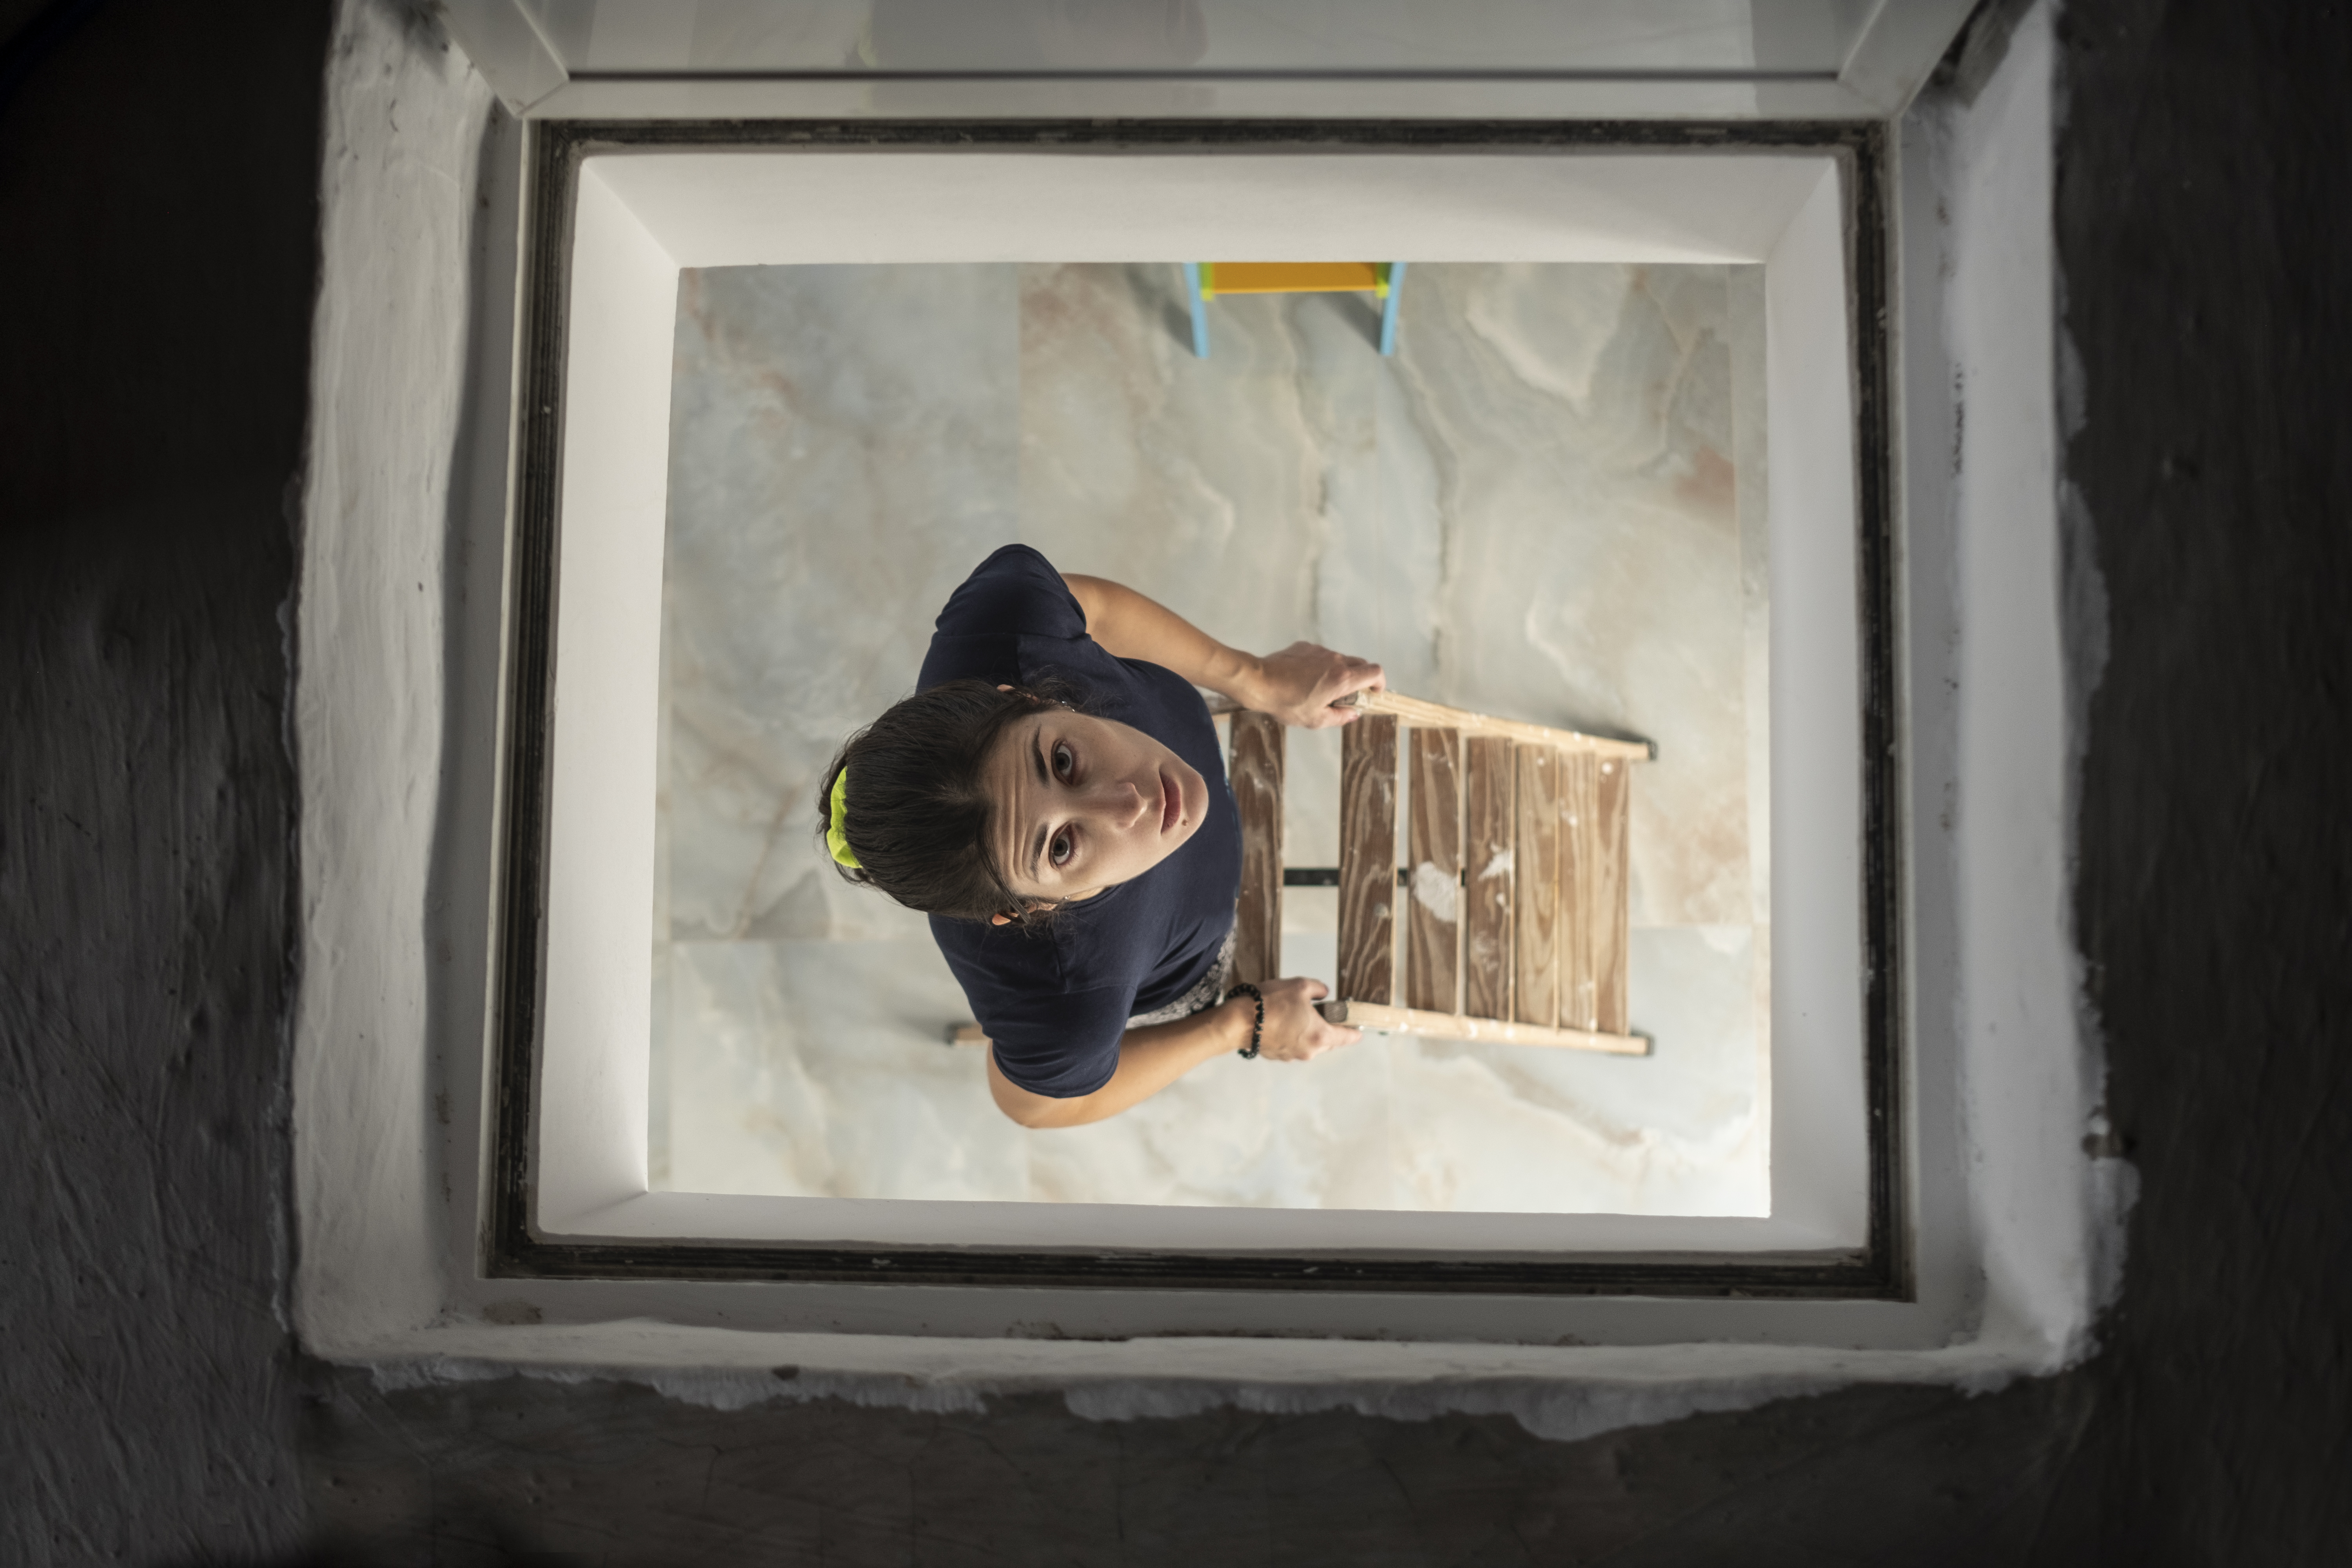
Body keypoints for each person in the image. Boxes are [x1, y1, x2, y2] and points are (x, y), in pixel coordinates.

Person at [817, 544, 1384, 1128]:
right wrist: (1239, 1024)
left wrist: (1255, 678)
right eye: (1059, 846)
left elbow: (1094, 609)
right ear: (1031, 906)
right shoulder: (1061, 1000)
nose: (1129, 803)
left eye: (1063, 761)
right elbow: (1030, 1105)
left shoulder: (1005, 626)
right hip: (1192, 951)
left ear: (1026, 696)